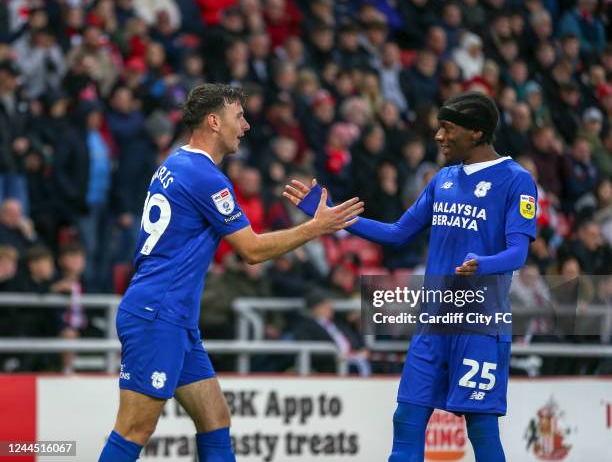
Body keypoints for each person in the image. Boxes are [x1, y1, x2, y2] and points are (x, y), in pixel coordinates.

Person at [98, 83, 364, 462]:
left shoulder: (174, 163)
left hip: (173, 317)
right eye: (238, 116)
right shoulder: (206, 177)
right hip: (158, 314)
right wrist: (315, 228)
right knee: (134, 429)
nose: (246, 125)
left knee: (215, 420)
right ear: (212, 121)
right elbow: (251, 250)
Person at [284, 92, 537, 462]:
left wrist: (482, 263)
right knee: (407, 416)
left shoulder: (517, 181)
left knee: (480, 426)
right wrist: (332, 219)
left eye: (448, 129)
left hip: (479, 324)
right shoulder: (444, 179)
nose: (438, 136)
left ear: (477, 132)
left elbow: (519, 252)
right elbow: (398, 232)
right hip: (433, 321)